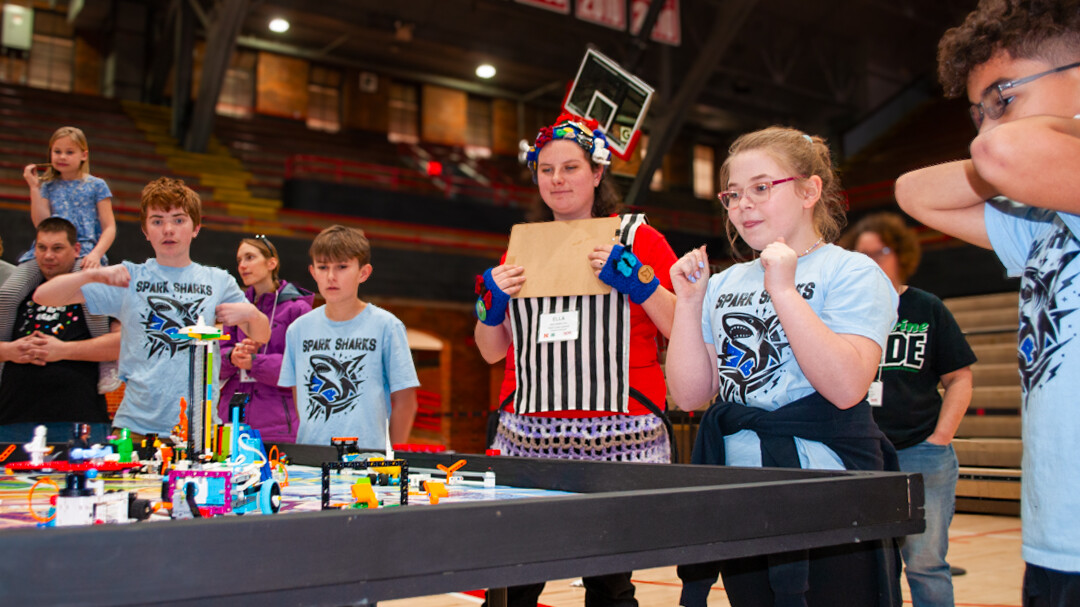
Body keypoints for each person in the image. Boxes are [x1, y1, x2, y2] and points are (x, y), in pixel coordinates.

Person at [894, 1, 1080, 603]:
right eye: (977, 113)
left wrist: (1007, 134)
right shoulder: (1045, 224)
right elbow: (913, 192)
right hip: (1055, 534)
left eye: (1003, 99)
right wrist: (1009, 118)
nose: (985, 129)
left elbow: (1000, 156)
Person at [667, 127, 900, 606]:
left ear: (809, 191)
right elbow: (689, 396)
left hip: (830, 497)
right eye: (733, 194)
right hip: (744, 492)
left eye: (761, 187)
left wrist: (785, 291)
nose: (742, 205)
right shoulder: (724, 282)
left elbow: (846, 387)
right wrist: (689, 304)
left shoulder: (852, 272)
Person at [473, 113, 678, 607]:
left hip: (622, 430)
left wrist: (642, 283)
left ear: (597, 173)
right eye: (547, 169)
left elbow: (682, 329)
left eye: (570, 167)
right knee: (514, 580)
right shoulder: (521, 245)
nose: (558, 179)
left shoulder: (640, 238)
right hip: (528, 429)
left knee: (608, 584)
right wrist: (489, 306)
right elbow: (491, 350)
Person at [32, 177, 269, 438]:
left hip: (199, 430)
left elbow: (262, 335)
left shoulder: (218, 281)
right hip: (135, 427)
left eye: (179, 220)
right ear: (145, 231)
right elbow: (44, 296)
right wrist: (90, 275)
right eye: (157, 221)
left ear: (196, 228)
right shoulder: (129, 277)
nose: (168, 229)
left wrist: (251, 313)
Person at [841, 212, 977, 607]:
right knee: (872, 568)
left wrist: (939, 440)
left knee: (926, 565)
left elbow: (959, 378)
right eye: (861, 255)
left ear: (901, 254)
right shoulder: (842, 313)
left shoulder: (926, 307)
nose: (872, 262)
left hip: (921, 452)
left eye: (880, 252)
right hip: (861, 455)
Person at [279, 225, 419, 448]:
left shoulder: (387, 326)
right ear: (313, 272)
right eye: (323, 267)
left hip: (367, 458)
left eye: (342, 267)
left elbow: (406, 402)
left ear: (363, 273)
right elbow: (300, 397)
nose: (331, 276)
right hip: (309, 458)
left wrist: (393, 455)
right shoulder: (298, 329)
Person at [0, 217, 120, 444]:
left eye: (57, 248)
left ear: (76, 250)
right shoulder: (17, 290)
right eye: (42, 248)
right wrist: (9, 350)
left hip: (79, 419)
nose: (48, 256)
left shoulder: (98, 290)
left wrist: (63, 350)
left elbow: (121, 344)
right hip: (12, 419)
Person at [218, 234, 313, 443]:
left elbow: (303, 369)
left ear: (272, 263)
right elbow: (217, 362)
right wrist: (233, 356)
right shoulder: (237, 306)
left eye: (250, 257)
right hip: (231, 422)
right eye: (239, 260)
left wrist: (255, 363)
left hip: (279, 426)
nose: (242, 265)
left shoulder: (298, 309)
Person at [19, 126, 116, 270]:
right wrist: (34, 188)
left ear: (84, 155)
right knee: (10, 291)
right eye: (57, 151)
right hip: (48, 251)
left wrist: (96, 254)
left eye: (69, 152)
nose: (62, 156)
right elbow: (42, 224)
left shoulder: (97, 185)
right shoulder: (47, 186)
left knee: (75, 287)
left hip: (85, 253)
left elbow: (109, 227)